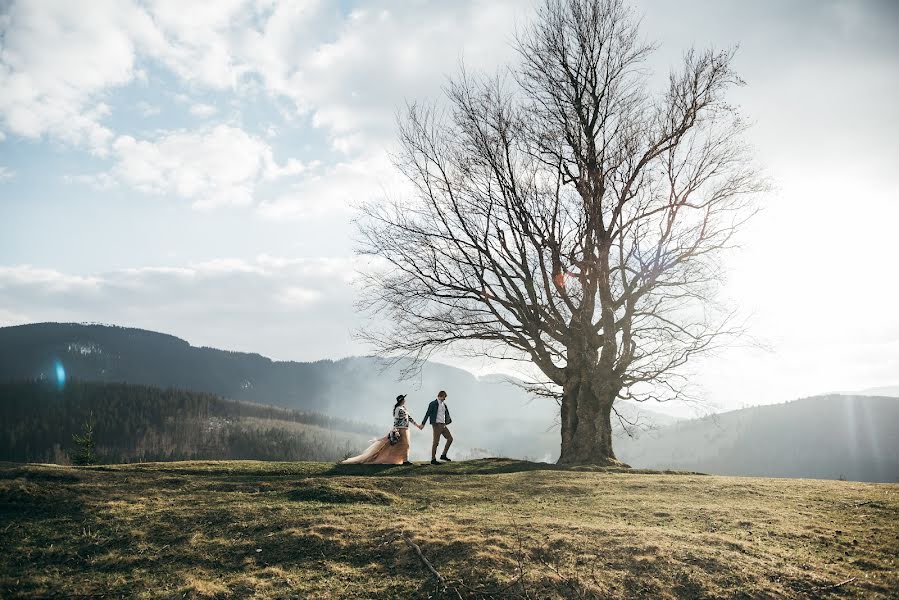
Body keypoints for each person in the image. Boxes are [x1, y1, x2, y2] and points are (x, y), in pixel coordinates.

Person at [341, 395, 422, 465]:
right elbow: (396, 419)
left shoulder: (404, 408)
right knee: (405, 444)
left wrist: (417, 425)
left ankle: (404, 460)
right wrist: (395, 429)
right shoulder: (398, 409)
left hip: (406, 429)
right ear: (401, 400)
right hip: (401, 429)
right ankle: (404, 460)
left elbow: (409, 418)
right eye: (404, 399)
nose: (405, 400)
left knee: (404, 445)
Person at [421, 390, 453, 464]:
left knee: (450, 439)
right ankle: (433, 459)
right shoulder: (433, 404)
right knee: (436, 442)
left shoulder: (444, 405)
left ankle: (443, 455)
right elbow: (427, 414)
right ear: (440, 396)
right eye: (444, 397)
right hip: (436, 425)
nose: (445, 399)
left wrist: (446, 422)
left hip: (443, 425)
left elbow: (445, 414)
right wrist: (423, 423)